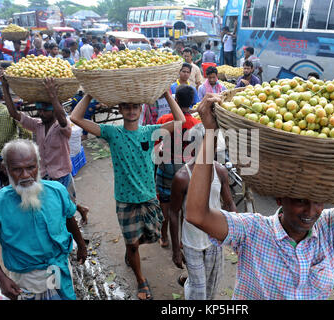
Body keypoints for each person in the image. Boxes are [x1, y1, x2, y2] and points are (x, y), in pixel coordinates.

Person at [184, 93, 334, 300]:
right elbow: (197, 215)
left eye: (317, 201)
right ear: (280, 199)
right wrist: (210, 133)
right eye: (300, 201)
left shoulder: (327, 227)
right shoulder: (252, 231)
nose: (311, 211)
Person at [70, 89, 186, 301]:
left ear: (141, 109)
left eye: (135, 106)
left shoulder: (150, 132)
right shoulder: (112, 133)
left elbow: (180, 120)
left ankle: (130, 247)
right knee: (132, 244)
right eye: (126, 106)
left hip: (149, 197)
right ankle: (141, 279)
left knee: (149, 236)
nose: (131, 110)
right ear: (120, 109)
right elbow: (75, 118)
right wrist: (89, 93)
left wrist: (167, 95)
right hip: (125, 200)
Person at [0, 139, 87, 300]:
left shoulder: (57, 191)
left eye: (31, 167)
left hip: (60, 268)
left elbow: (69, 219)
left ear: (38, 164)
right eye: (17, 169)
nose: (25, 175)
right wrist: (0, 276)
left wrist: (81, 245)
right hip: (25, 279)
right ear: (5, 169)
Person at [2, 76, 89, 225]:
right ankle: (78, 212)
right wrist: (5, 88)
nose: (41, 113)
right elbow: (14, 114)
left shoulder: (63, 127)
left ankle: (76, 224)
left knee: (66, 207)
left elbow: (62, 117)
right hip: (44, 175)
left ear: (54, 111)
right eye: (39, 110)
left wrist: (53, 96)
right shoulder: (37, 125)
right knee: (52, 206)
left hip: (61, 174)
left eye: (45, 110)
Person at [169, 123, 236, 299]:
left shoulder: (220, 171)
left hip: (215, 241)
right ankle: (191, 284)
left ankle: (189, 282)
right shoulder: (182, 177)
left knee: (212, 286)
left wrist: (236, 234)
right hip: (192, 242)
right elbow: (173, 213)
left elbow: (229, 204)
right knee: (199, 293)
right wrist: (176, 249)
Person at [155, 85, 202, 248]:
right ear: (193, 102)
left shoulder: (164, 120)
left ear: (175, 101)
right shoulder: (196, 124)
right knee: (183, 207)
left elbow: (155, 151)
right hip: (187, 174)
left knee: (165, 208)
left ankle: (164, 237)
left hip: (165, 172)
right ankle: (182, 240)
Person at [0, 83, 30, 186]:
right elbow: (26, 132)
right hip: (15, 154)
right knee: (21, 182)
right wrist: (21, 144)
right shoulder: (10, 111)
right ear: (2, 97)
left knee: (6, 186)